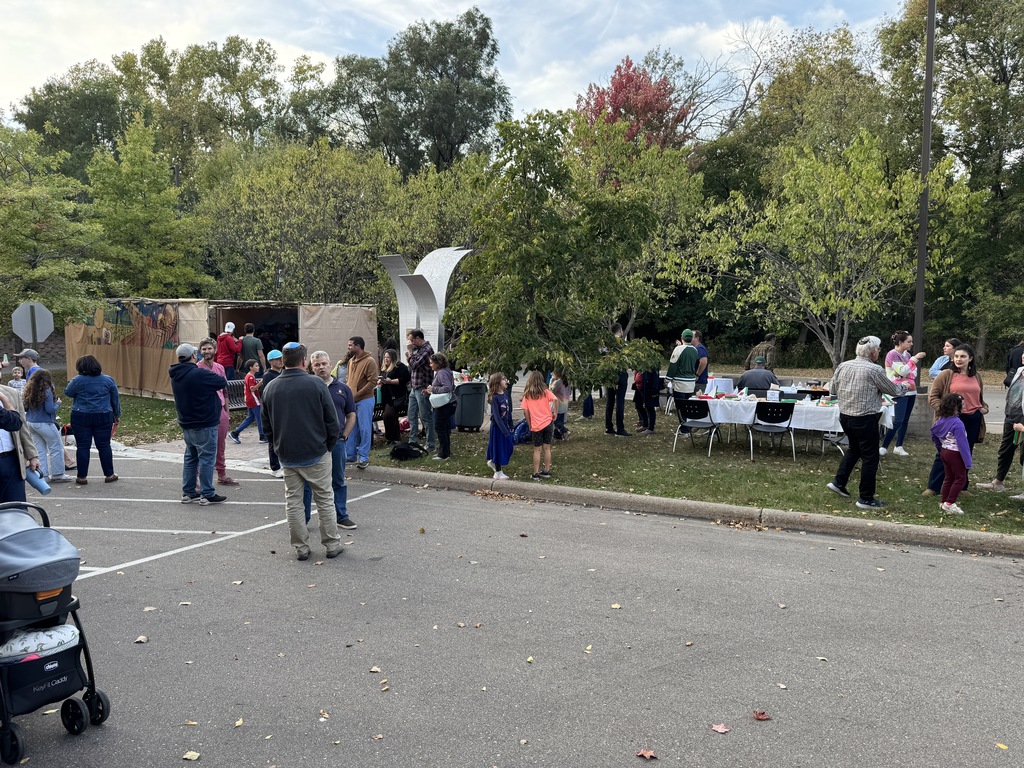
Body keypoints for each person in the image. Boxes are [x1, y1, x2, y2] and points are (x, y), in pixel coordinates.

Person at [260, 343, 343, 561]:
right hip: (316, 451)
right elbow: (331, 421)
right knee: (324, 498)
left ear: (283, 360)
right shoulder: (316, 384)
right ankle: (332, 543)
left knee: (294, 501)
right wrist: (329, 445)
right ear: (304, 360)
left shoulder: (271, 387)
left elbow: (266, 425)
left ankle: (301, 547)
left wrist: (277, 446)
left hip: (288, 454)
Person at [827, 336, 907, 509]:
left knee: (855, 448)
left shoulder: (843, 365)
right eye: (878, 349)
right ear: (872, 352)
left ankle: (839, 482)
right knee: (871, 457)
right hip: (864, 418)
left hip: (845, 416)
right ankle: (866, 498)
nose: (879, 352)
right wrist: (907, 386)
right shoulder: (874, 369)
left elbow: (832, 389)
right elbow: (893, 389)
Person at [301, 351, 357, 530]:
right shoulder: (306, 388)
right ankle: (303, 519)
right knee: (308, 483)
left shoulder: (343, 388)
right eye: (317, 365)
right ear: (311, 367)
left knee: (338, 480)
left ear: (330, 364)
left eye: (324, 364)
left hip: (336, 443)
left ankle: (341, 516)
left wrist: (345, 435)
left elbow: (351, 414)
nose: (321, 367)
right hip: (312, 443)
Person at [924, 344, 987, 496]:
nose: (959, 359)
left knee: (966, 452)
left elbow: (978, 398)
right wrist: (945, 412)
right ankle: (933, 486)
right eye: (957, 356)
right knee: (945, 452)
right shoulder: (946, 374)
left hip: (972, 419)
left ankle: (962, 487)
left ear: (970, 359)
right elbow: (933, 397)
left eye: (963, 356)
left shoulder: (976, 376)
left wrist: (983, 407)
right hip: (952, 420)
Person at [169, 344, 227, 505]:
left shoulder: (175, 374)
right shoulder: (199, 373)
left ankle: (188, 492)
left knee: (191, 457)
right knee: (207, 458)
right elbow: (221, 382)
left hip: (187, 421)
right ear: (194, 355)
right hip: (204, 421)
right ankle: (207, 493)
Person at [64, 355, 120, 486]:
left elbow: (68, 392)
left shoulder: (77, 380)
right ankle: (109, 474)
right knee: (104, 445)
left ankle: (82, 477)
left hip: (81, 414)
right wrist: (116, 414)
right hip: (103, 414)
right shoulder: (108, 380)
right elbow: (115, 398)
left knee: (83, 446)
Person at [978, 350, 1024, 497]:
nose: (1023, 356)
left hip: (1023, 419)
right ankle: (998, 482)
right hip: (1011, 416)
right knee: (1005, 450)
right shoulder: (1020, 371)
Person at [197, 337, 238, 487]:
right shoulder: (197, 369)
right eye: (204, 349)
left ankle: (222, 474)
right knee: (203, 446)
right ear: (200, 351)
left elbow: (225, 389)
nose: (206, 351)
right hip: (205, 411)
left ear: (215, 350)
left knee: (220, 445)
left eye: (209, 348)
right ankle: (197, 478)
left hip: (220, 411)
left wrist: (227, 409)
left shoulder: (220, 368)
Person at [879, 330, 926, 457]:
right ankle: (884, 446)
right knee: (898, 420)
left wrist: (904, 371)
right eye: (908, 341)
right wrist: (914, 359)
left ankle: (899, 446)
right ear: (900, 342)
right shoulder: (892, 355)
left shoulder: (907, 355)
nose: (911, 344)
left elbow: (912, 373)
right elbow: (905, 370)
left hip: (911, 390)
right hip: (899, 391)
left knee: (905, 420)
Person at [23, 369, 72, 483]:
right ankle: (58, 473)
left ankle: (43, 475)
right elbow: (49, 409)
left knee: (39, 450)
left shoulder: (29, 390)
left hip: (31, 422)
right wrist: (58, 403)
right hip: (45, 422)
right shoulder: (46, 390)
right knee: (56, 448)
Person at [930, 393, 972, 515]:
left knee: (948, 477)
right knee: (960, 478)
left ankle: (943, 501)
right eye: (962, 404)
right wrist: (968, 462)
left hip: (945, 451)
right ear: (956, 407)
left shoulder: (941, 420)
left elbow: (933, 433)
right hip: (955, 454)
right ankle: (950, 503)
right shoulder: (958, 423)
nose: (964, 407)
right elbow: (962, 444)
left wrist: (940, 447)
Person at [0, 384, 40, 503]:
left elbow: (22, 427)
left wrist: (32, 455)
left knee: (17, 509)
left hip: (12, 460)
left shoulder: (11, 392)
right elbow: (14, 422)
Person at [345, 336, 379, 469]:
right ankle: (350, 455)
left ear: (358, 346)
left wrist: (358, 394)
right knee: (351, 428)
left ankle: (364, 456)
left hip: (365, 400)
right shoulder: (351, 361)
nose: (348, 348)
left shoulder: (369, 361)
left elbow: (372, 381)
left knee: (365, 428)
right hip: (352, 400)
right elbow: (349, 380)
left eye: (350, 345)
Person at [521, 370, 558, 480]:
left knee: (537, 450)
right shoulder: (545, 392)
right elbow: (555, 399)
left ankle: (536, 473)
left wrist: (529, 423)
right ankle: (546, 470)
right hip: (548, 422)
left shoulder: (527, 394)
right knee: (547, 448)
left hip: (536, 425)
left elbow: (525, 411)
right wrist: (555, 412)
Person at [406, 330, 436, 451]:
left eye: (412, 340)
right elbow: (411, 363)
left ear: (418, 338)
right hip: (414, 386)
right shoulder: (417, 350)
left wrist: (409, 353)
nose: (411, 343)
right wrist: (410, 355)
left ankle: (430, 444)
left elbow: (414, 364)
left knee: (425, 416)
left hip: (423, 386)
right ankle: (413, 441)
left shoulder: (427, 349)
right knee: (411, 414)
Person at [258, 349, 286, 478]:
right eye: (277, 359)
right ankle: (275, 467)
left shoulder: (283, 373)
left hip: (283, 410)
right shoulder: (268, 375)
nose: (281, 361)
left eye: (281, 358)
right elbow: (266, 395)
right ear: (270, 361)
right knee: (273, 439)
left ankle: (282, 463)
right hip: (273, 411)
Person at [424, 353, 456, 461]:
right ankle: (445, 451)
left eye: (432, 363)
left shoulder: (442, 373)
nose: (430, 365)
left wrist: (433, 389)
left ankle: (443, 454)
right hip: (448, 403)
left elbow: (447, 388)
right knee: (445, 428)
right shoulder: (446, 371)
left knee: (440, 427)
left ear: (438, 363)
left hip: (444, 405)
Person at [230, 359, 266, 443]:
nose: (258, 367)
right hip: (253, 400)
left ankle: (235, 433)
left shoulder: (249, 376)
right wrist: (261, 382)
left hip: (250, 399)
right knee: (259, 418)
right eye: (256, 366)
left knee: (250, 418)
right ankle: (262, 436)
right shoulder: (250, 377)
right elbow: (252, 389)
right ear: (251, 367)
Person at [379, 348, 410, 444]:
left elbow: (405, 379)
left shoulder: (400, 367)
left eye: (388, 357)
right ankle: (393, 437)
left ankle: (391, 437)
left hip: (397, 396)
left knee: (388, 415)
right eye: (385, 357)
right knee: (391, 417)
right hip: (386, 396)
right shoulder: (385, 369)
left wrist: (391, 381)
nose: (386, 359)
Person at [486, 372, 514, 480]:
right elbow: (497, 417)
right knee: (499, 448)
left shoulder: (505, 394)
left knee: (509, 446)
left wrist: (511, 425)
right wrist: (504, 431)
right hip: (498, 428)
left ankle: (493, 462)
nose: (506, 380)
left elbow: (508, 411)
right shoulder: (495, 398)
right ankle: (498, 471)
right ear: (498, 383)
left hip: (505, 425)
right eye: (503, 379)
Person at [666, 329, 699, 418]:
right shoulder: (695, 350)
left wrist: (667, 380)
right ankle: (688, 427)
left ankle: (684, 428)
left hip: (680, 383)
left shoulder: (678, 349)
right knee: (688, 407)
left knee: (680, 408)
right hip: (691, 383)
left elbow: (673, 366)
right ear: (691, 338)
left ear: (682, 338)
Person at [604, 323, 630, 437]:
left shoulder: (607, 344)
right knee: (620, 401)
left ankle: (609, 426)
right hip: (620, 375)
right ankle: (620, 427)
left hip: (609, 375)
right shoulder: (622, 344)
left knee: (610, 401)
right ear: (619, 331)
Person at [635, 368, 661, 435]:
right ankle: (644, 424)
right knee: (639, 405)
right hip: (640, 387)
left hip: (648, 387)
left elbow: (655, 377)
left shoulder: (652, 364)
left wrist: (654, 389)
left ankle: (651, 428)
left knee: (649, 407)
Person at [550, 369, 571, 440]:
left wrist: (551, 381)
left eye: (552, 373)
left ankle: (565, 431)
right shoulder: (565, 382)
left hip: (558, 404)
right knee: (560, 420)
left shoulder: (558, 382)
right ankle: (558, 435)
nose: (551, 374)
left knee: (555, 421)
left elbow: (551, 391)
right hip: (565, 403)